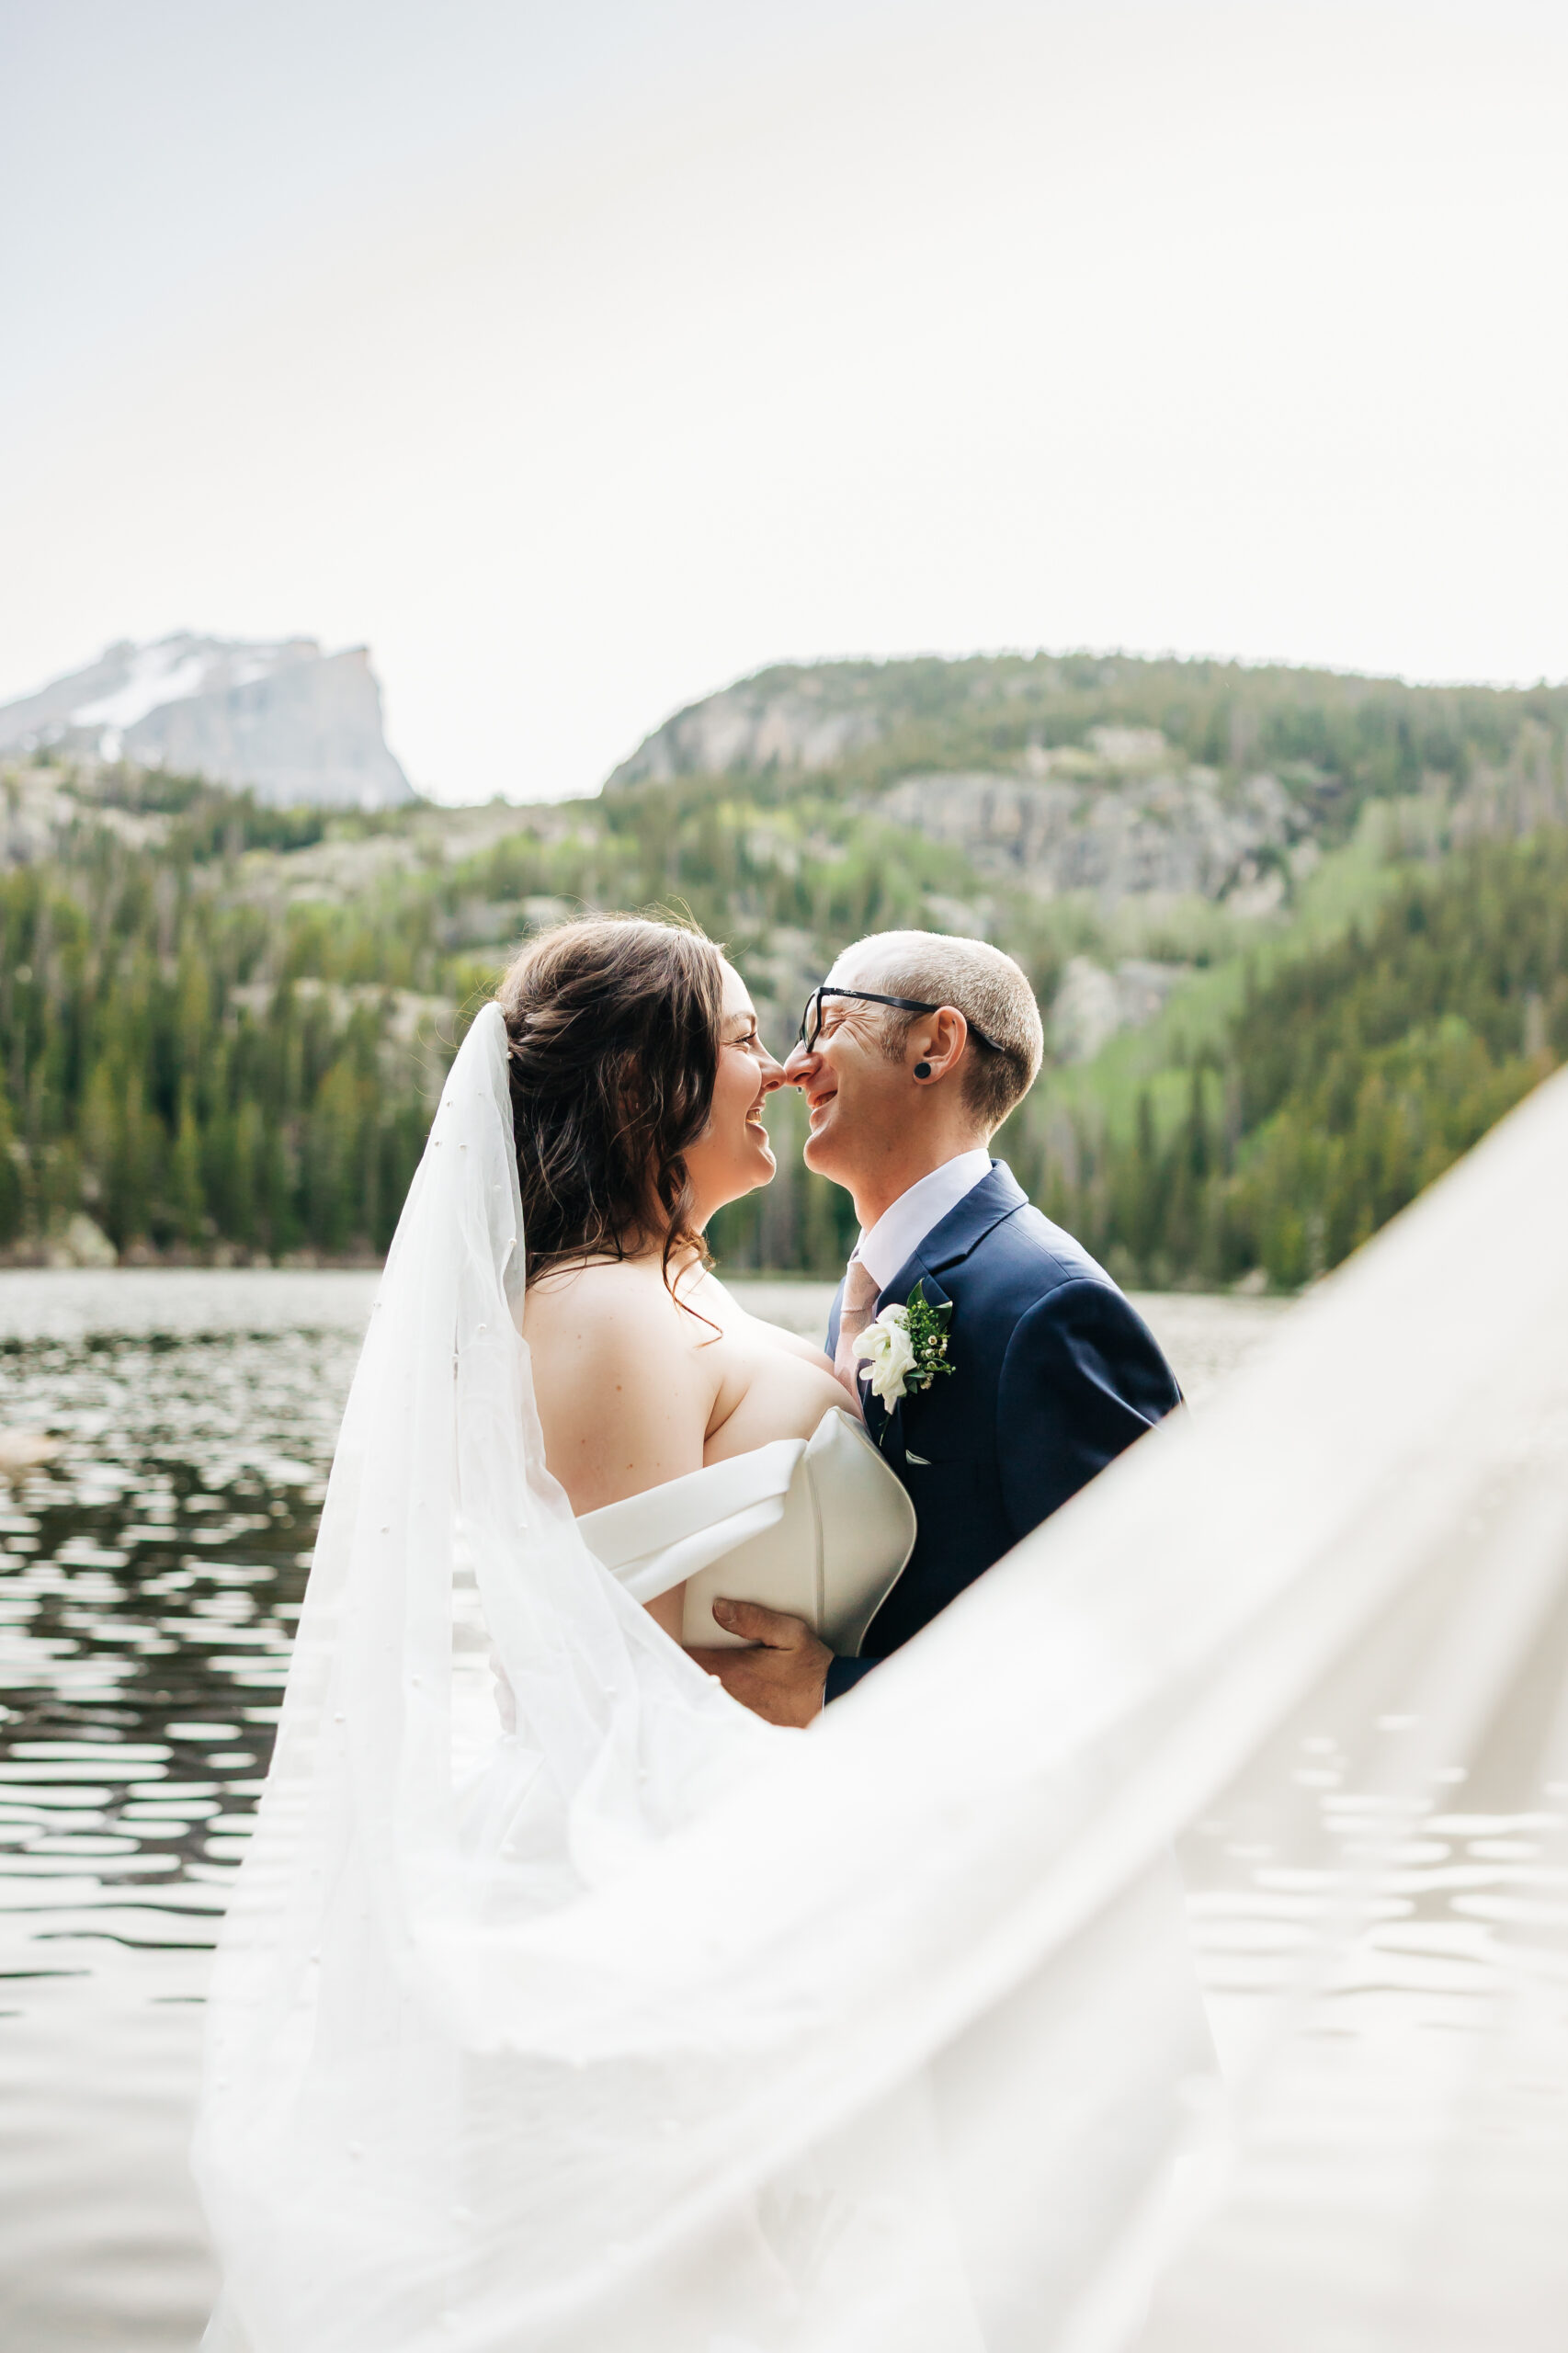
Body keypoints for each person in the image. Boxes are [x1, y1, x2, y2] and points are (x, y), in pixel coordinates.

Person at [698, 928, 1183, 1722]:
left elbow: (1152, 1629)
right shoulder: (870, 1291)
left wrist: (836, 1692)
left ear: (936, 1044)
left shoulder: (1047, 1306)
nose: (794, 1065)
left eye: (829, 1023)